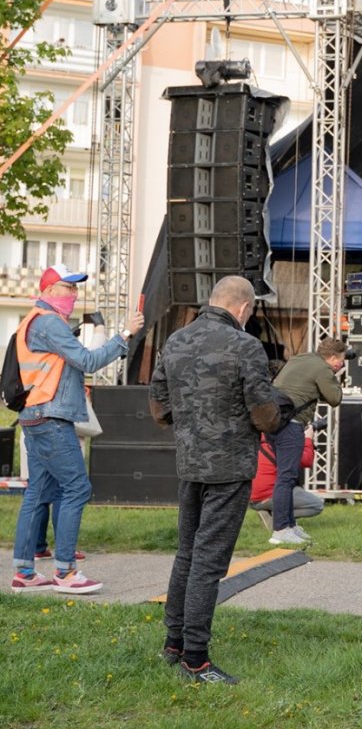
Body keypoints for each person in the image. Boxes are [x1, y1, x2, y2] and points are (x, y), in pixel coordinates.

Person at [149, 276, 280, 683]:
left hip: (190, 464)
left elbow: (158, 408)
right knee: (208, 561)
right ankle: (196, 658)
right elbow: (264, 414)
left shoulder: (175, 341)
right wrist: (278, 415)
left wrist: (192, 424)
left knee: (187, 552)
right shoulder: (245, 346)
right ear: (243, 308)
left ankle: (173, 643)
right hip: (229, 468)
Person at [10, 264, 142, 595]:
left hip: (35, 415)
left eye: (75, 288)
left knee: (38, 492)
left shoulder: (34, 321)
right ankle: (66, 572)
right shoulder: (49, 323)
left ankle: (24, 572)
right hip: (50, 417)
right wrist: (124, 335)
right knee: (77, 488)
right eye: (68, 287)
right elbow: (88, 361)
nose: (74, 294)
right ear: (49, 290)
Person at [254, 338, 346, 544]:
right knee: (286, 478)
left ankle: (290, 526)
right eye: (340, 360)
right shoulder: (323, 369)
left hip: (275, 422)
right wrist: (334, 376)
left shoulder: (301, 358)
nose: (341, 364)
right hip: (291, 425)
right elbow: (335, 398)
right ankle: (280, 531)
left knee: (286, 477)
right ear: (331, 358)